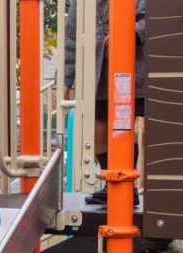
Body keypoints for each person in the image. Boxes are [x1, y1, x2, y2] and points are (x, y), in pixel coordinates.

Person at [63, 0, 147, 205]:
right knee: (98, 129)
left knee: (126, 127)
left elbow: (151, 17)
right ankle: (113, 183)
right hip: (99, 71)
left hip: (133, 67)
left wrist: (132, 31)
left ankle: (128, 185)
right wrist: (66, 77)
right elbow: (71, 36)